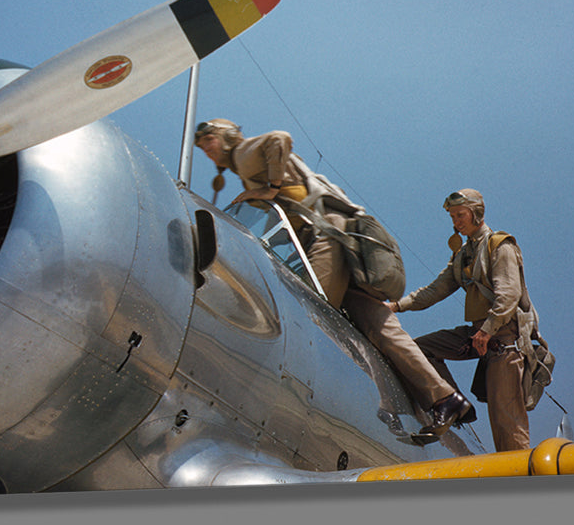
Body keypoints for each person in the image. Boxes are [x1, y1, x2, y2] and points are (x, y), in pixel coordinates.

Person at [194, 119, 474, 438]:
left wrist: (266, 188)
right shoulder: (244, 162)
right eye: (202, 148)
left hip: (326, 238)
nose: (207, 151)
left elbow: (279, 139)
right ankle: (444, 397)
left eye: (209, 142)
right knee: (380, 326)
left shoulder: (244, 153)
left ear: (226, 137)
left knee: (306, 313)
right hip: (341, 242)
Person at [385, 188, 533, 451]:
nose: (456, 222)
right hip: (478, 335)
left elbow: (509, 294)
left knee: (506, 424)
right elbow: (434, 290)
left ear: (476, 213)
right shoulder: (463, 255)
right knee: (420, 350)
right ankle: (452, 402)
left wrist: (487, 331)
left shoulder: (500, 245)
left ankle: (522, 482)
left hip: (503, 342)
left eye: (460, 215)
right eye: (452, 216)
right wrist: (396, 305)